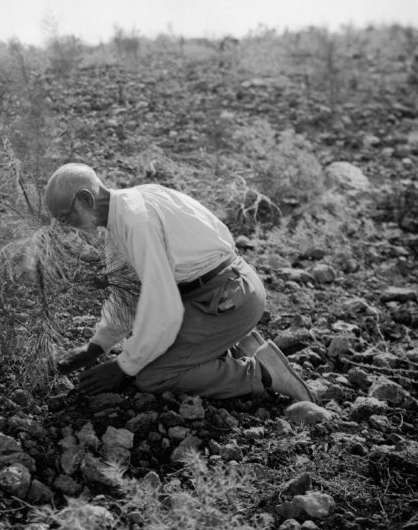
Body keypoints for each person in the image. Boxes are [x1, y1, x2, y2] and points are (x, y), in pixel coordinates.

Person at [44, 162, 317, 404]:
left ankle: (263, 373)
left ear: (85, 199)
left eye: (67, 217)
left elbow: (164, 309)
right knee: (145, 355)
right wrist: (96, 347)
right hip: (212, 295)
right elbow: (126, 296)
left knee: (152, 377)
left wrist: (122, 367)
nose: (69, 227)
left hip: (229, 298)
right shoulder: (121, 220)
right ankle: (232, 344)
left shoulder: (137, 222)